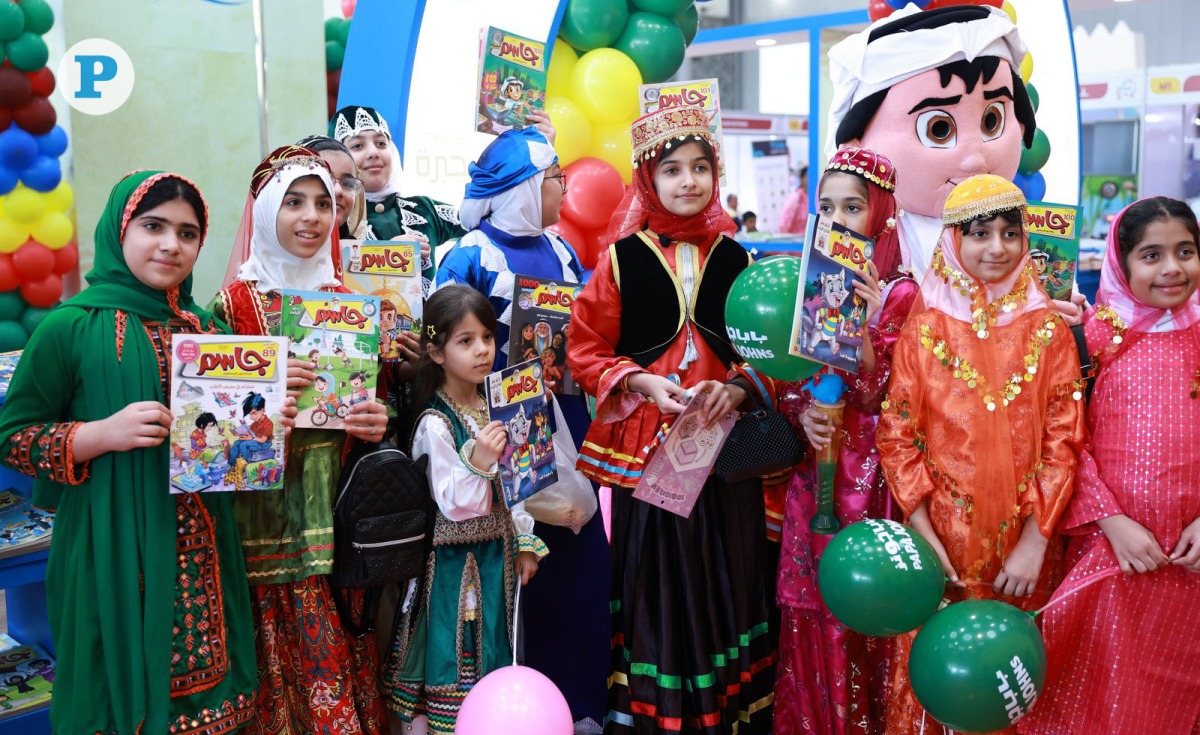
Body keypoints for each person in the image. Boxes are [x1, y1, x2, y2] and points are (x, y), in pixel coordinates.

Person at [0, 171, 262, 734]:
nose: (171, 245)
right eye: (153, 226)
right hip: (109, 545)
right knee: (113, 693)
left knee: (207, 702)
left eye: (187, 234)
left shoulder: (208, 329)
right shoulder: (69, 327)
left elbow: (230, 444)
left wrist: (263, 424)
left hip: (202, 552)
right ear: (119, 231)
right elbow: (13, 437)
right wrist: (99, 435)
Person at [568, 105, 776, 733]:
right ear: (647, 178)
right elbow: (585, 348)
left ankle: (723, 711)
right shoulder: (620, 260)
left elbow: (771, 353)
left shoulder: (740, 259)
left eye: (700, 167)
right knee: (656, 577)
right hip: (650, 451)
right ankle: (661, 716)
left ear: (716, 174)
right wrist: (638, 381)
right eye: (672, 169)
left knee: (728, 570)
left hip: (726, 451)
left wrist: (739, 387)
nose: (689, 180)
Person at [875, 174, 1086, 735]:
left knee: (1010, 679)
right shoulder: (925, 330)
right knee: (940, 676)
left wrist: (1036, 541)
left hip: (1024, 550)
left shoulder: (1047, 330)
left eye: (1010, 233)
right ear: (953, 241)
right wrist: (922, 531)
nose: (997, 247)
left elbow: (1064, 441)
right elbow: (896, 436)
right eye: (980, 233)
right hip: (942, 547)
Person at [432, 125, 609, 730]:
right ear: (526, 186)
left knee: (580, 562)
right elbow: (449, 345)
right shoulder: (469, 255)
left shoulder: (561, 248)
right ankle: (517, 705)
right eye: (556, 178)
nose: (564, 189)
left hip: (567, 418)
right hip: (499, 432)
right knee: (521, 565)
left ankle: (580, 701)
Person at [212, 145, 391, 735]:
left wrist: (375, 420)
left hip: (336, 517)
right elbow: (204, 433)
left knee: (339, 656)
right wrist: (261, 387)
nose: (312, 216)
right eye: (293, 202)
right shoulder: (230, 307)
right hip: (261, 525)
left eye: (322, 202)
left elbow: (375, 404)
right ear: (265, 211)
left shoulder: (350, 303)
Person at [1019, 197, 1200, 735]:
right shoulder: (1094, 338)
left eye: (1186, 251)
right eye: (1152, 255)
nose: (1172, 268)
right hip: (1111, 553)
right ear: (1122, 265)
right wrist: (1113, 523)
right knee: (1101, 693)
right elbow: (1062, 438)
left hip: (1190, 562)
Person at [773, 147, 918, 734]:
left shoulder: (904, 294)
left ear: (882, 214)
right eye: (826, 206)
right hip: (817, 475)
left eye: (852, 207)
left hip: (876, 483)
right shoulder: (809, 283)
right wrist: (802, 412)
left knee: (870, 607)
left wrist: (867, 331)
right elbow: (790, 379)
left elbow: (900, 398)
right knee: (817, 608)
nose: (837, 219)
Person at [383, 285, 549, 734]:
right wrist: (480, 459)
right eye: (466, 340)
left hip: (499, 560)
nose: (482, 350)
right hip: (454, 570)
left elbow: (518, 483)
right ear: (436, 352)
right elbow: (455, 503)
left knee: (496, 645)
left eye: (488, 338)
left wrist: (525, 541)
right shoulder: (434, 422)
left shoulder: (498, 404)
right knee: (455, 655)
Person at [296, 134, 369, 240]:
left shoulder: (358, 250)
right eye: (326, 179)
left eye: (348, 184)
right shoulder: (274, 248)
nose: (338, 191)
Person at [778, 166, 809, 235]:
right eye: (808, 176)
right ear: (802, 178)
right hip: (793, 239)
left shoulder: (813, 198)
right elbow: (784, 222)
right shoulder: (796, 197)